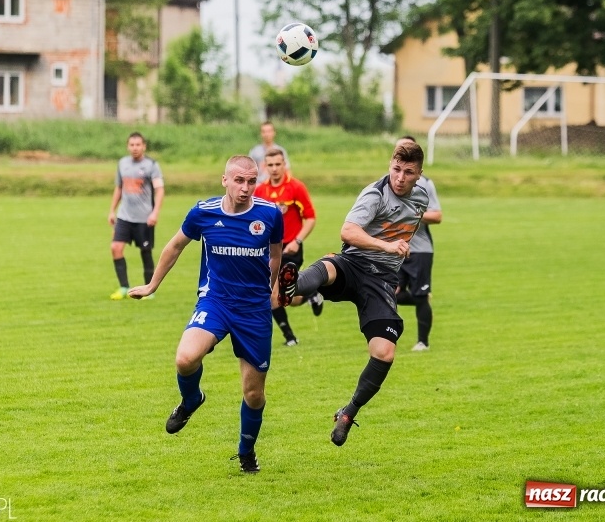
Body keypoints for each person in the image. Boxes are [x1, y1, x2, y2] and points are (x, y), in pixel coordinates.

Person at [128, 155, 284, 473]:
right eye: (239, 180)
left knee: (254, 394)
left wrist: (272, 291)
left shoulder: (270, 214)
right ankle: (191, 401)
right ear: (224, 180)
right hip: (215, 302)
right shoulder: (204, 212)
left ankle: (246, 450)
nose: (245, 187)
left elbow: (276, 256)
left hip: (254, 310)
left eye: (252, 181)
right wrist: (152, 285)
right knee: (185, 358)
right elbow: (174, 246)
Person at [277, 141, 429, 447]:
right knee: (328, 267)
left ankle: (348, 412)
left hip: (382, 280)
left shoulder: (422, 197)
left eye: (408, 172)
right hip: (354, 262)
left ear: (419, 174)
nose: (400, 177)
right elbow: (348, 232)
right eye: (396, 169)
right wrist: (388, 246)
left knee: (384, 352)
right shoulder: (374, 193)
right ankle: (293, 286)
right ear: (390, 165)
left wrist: (396, 253)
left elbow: (403, 228)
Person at [254, 148, 324, 346]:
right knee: (286, 299)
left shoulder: (296, 187)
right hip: (269, 249)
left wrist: (298, 241)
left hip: (291, 248)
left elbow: (310, 218)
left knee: (273, 295)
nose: (275, 169)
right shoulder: (260, 191)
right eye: (271, 165)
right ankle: (311, 294)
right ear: (265, 167)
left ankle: (290, 338)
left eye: (278, 164)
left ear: (284, 164)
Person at [394, 136, 442, 352]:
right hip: (394, 248)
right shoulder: (389, 181)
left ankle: (423, 341)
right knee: (389, 293)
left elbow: (437, 215)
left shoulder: (425, 183)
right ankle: (387, 337)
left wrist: (413, 214)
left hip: (420, 249)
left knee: (420, 295)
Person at [107, 132, 165, 300]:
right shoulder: (122, 163)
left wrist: (155, 212)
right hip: (124, 216)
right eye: (131, 145)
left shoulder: (151, 165)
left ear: (144, 146)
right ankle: (124, 287)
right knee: (115, 248)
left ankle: (149, 290)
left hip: (144, 217)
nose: (134, 148)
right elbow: (119, 188)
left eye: (138, 145)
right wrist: (112, 210)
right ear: (128, 146)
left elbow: (159, 189)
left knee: (145, 252)